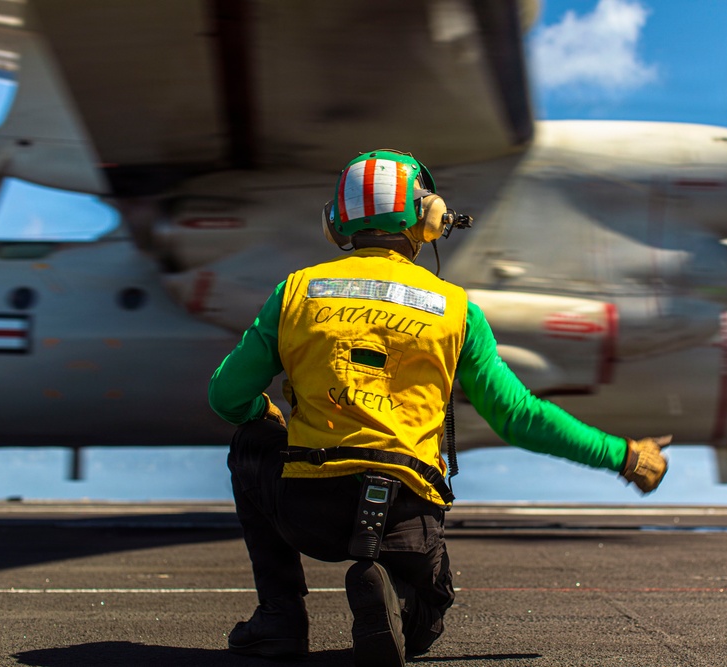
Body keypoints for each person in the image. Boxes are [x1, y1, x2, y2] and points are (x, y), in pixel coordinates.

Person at [208, 149, 670, 666]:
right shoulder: (457, 310)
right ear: (429, 218)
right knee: (426, 622)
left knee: (250, 444)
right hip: (407, 512)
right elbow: (518, 416)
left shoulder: (296, 290)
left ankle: (280, 619)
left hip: (309, 507)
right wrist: (625, 455)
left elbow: (225, 395)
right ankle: (403, 606)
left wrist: (261, 415)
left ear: (336, 223)